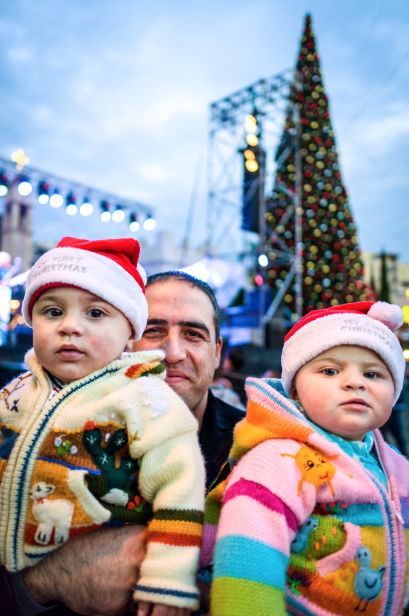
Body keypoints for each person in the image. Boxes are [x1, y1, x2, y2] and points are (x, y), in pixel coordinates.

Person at [1, 269, 243, 616]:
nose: (172, 353)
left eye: (193, 334)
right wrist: (41, 582)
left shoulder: (256, 448)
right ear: (124, 338)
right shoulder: (32, 423)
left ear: (217, 352)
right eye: (153, 330)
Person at [205, 301, 409, 616]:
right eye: (330, 370)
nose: (356, 382)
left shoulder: (396, 465)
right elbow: (247, 566)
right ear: (296, 389)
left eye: (373, 373)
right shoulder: (279, 459)